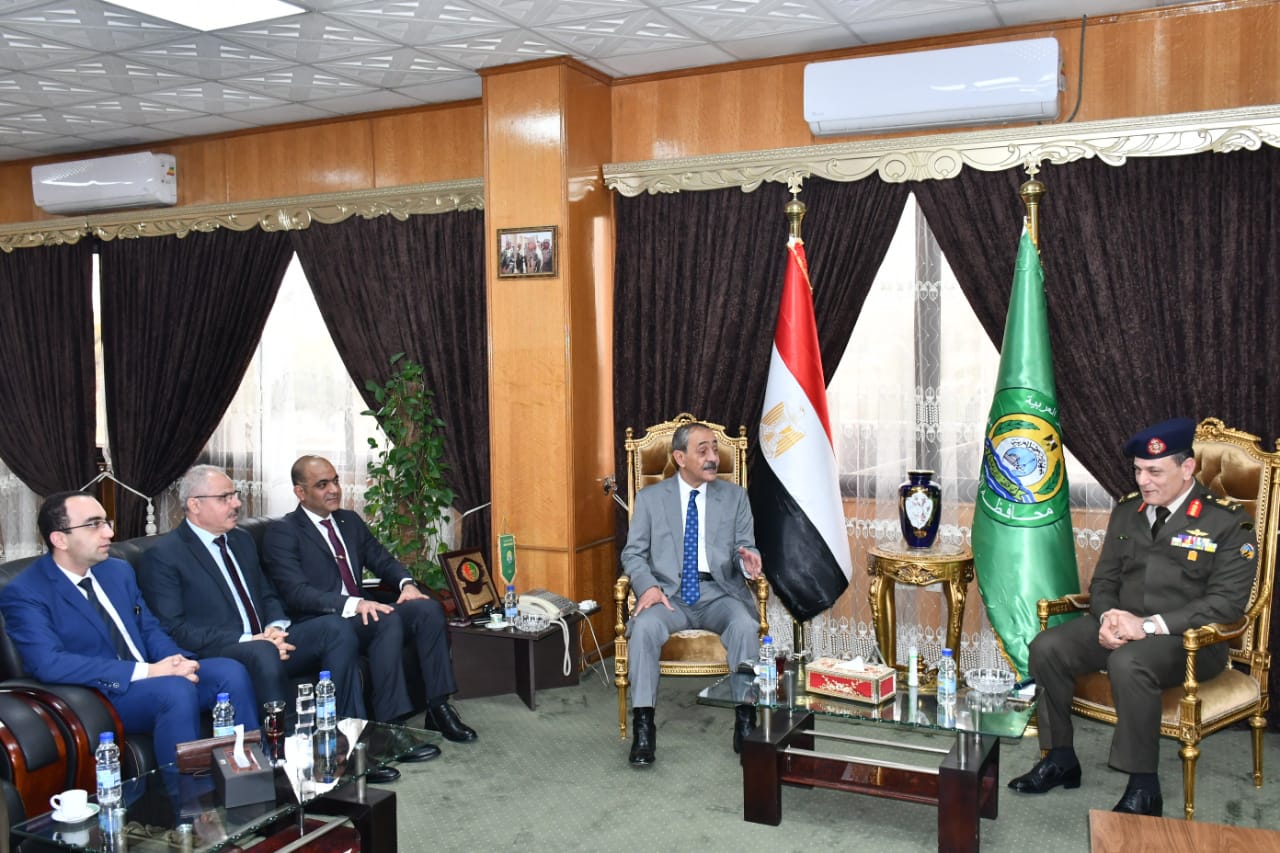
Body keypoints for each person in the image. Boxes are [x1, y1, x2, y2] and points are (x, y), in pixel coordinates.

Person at [1008, 417, 1257, 817]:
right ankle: (1060, 757)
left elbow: (1226, 604)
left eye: (1155, 471)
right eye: (1139, 470)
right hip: (1122, 624)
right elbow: (1104, 580)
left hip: (1190, 641)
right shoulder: (1128, 510)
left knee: (1129, 660)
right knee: (1047, 646)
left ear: (1187, 468)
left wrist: (1146, 626)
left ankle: (1144, 785)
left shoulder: (1227, 521)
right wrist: (1108, 616)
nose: (1143, 481)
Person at [0, 491, 258, 766]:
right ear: (60, 539)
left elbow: (148, 628)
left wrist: (176, 660)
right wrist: (150, 671)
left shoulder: (116, 571)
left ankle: (250, 772)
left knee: (230, 672)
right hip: (102, 691)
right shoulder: (26, 591)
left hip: (154, 675)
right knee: (174, 690)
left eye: (106, 522)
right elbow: (48, 663)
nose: (109, 533)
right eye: (94, 524)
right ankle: (188, 791)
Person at [261, 455, 477, 747]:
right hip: (322, 621)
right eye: (322, 485)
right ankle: (391, 724)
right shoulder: (284, 532)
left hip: (361, 613)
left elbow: (381, 559)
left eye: (335, 481)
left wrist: (407, 584)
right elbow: (296, 593)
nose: (334, 490)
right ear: (300, 492)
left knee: (426, 608)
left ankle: (438, 707)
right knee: (383, 618)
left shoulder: (348, 520)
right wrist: (354, 604)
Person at [137, 465, 366, 722]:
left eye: (234, 495)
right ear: (195, 504)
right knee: (262, 652)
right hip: (222, 650)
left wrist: (275, 629)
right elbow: (175, 629)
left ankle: (345, 726)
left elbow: (267, 594)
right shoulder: (165, 555)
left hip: (267, 642)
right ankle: (284, 739)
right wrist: (252, 640)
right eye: (225, 498)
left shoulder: (241, 540)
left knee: (335, 628)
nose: (236, 503)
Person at [619, 421, 763, 767]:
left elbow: (746, 548)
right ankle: (643, 727)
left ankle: (745, 721)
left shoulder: (735, 497)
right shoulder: (651, 499)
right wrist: (648, 587)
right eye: (703, 451)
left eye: (715, 448)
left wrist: (748, 562)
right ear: (680, 458)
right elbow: (633, 554)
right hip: (669, 595)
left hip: (720, 593)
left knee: (745, 626)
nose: (713, 457)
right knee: (643, 628)